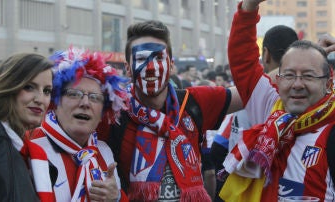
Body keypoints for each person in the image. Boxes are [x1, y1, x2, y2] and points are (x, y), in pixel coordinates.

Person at [98, 20, 243, 201]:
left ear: (171, 64)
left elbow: (252, 90)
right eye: (142, 59)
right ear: (128, 68)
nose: (151, 68)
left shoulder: (192, 102)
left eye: (159, 58)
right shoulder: (114, 114)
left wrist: (246, 12)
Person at [220, 0, 335, 201]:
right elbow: (243, 62)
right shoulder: (270, 105)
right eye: (289, 75)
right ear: (278, 79)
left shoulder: (331, 130)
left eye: (308, 75)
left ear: (327, 83)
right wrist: (248, 7)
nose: (297, 84)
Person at [208, 23, 298, 202]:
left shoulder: (250, 94)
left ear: (265, 54)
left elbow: (218, 149)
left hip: (246, 190)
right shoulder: (318, 100)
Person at [26, 47, 129, 201]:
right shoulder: (30, 146)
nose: (85, 103)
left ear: (102, 112)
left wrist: (117, 197)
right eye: (74, 94)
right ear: (56, 101)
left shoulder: (104, 151)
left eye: (95, 97)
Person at [0, 14, 54, 201]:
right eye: (29, 87)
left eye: (47, 90)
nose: (40, 99)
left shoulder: (36, 159)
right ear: (9, 86)